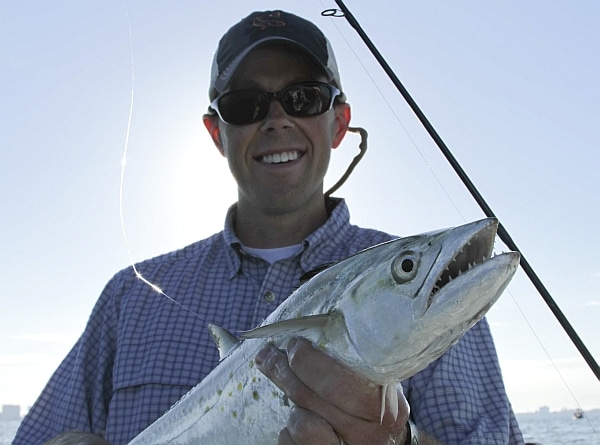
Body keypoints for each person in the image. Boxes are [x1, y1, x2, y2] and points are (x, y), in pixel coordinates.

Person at [13, 10, 524, 445]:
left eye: (304, 98)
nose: (277, 119)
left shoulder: (445, 300)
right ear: (217, 133)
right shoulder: (129, 298)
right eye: (246, 105)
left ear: (339, 122)